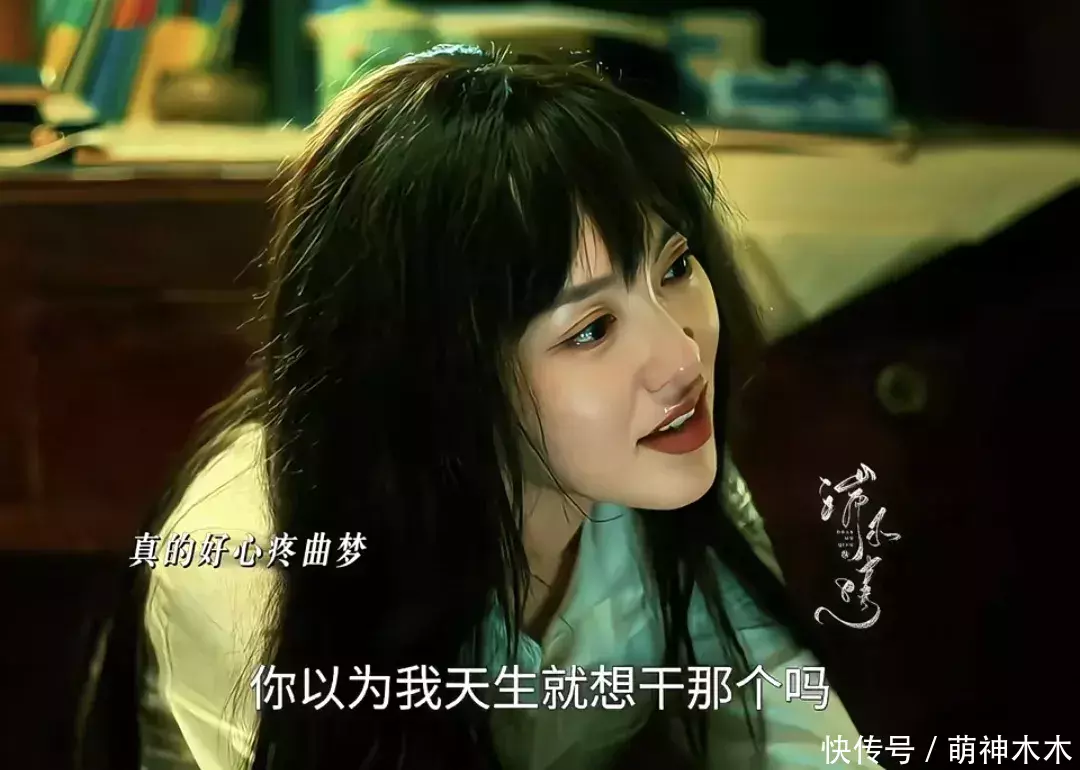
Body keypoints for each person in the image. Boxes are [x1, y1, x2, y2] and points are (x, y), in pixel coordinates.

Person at [88, 45, 877, 770]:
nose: (682, 359)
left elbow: (796, 739)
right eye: (592, 329)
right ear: (443, 368)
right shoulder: (261, 557)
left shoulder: (657, 460)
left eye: (674, 268)